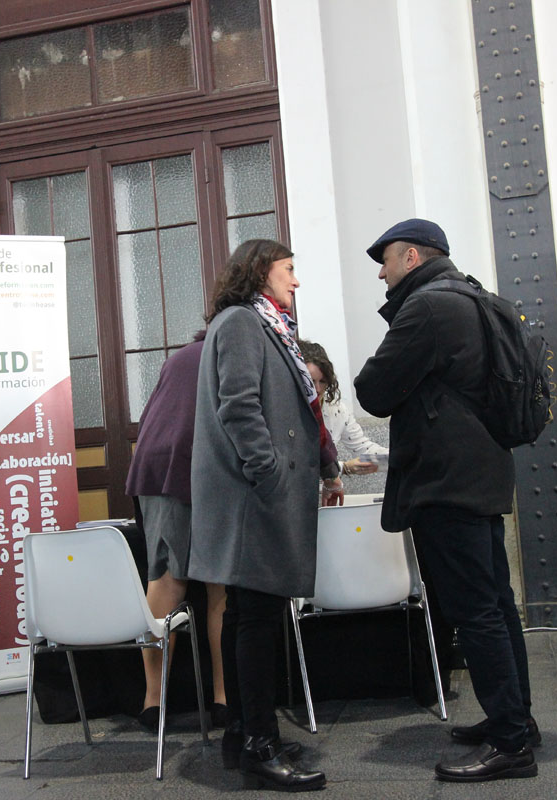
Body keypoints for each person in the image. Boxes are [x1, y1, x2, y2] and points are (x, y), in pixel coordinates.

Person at [354, 219, 536, 782]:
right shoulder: (474, 297)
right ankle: (517, 721)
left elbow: (373, 390)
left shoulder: (428, 307)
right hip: (481, 471)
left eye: (385, 261)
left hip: (446, 480)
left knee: (476, 612)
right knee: (497, 604)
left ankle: (510, 743)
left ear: (412, 257)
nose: (381, 274)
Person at [189, 238, 340, 792]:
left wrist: (325, 465)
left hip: (255, 496)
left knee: (244, 616)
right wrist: (269, 471)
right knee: (256, 620)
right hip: (253, 497)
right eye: (288, 269)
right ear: (259, 272)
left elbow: (299, 407)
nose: (296, 280)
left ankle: (242, 734)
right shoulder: (241, 323)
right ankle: (259, 744)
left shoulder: (265, 325)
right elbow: (239, 405)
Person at [125, 330, 229, 733]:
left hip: (154, 466)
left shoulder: (182, 356)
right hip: (200, 461)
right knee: (220, 586)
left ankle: (153, 703)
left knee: (165, 582)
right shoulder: (238, 350)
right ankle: (223, 700)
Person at [298, 339, 386, 477]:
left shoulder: (336, 410)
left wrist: (399, 458)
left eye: (323, 381)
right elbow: (296, 464)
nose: (317, 389)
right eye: (310, 382)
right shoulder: (286, 411)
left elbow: (363, 448)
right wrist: (343, 467)